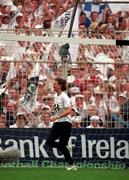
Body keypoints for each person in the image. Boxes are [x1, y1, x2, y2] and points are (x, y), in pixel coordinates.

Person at [46, 78, 77, 170]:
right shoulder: (56, 96)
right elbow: (57, 107)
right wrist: (50, 111)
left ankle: (71, 164)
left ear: (60, 85)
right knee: (49, 142)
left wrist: (57, 117)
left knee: (62, 145)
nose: (53, 85)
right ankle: (66, 148)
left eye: (55, 84)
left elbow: (69, 110)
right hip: (57, 122)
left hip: (65, 123)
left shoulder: (64, 96)